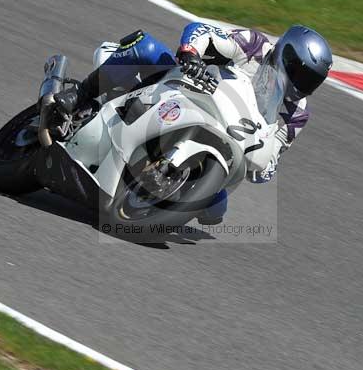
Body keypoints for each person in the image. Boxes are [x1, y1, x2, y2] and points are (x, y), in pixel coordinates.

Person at [50, 23, 333, 224]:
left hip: (227, 135)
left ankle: (155, 192)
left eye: (312, 81)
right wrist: (191, 54)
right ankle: (81, 95)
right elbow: (204, 33)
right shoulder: (256, 46)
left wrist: (266, 165)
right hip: (187, 90)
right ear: (287, 55)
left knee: (215, 209)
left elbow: (274, 155)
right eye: (301, 73)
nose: (303, 83)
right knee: (147, 48)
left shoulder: (297, 113)